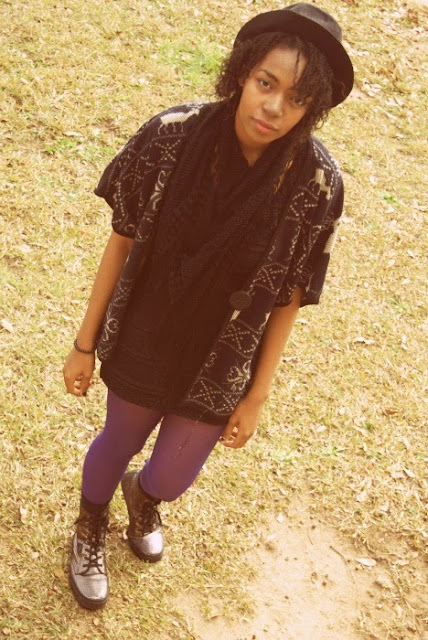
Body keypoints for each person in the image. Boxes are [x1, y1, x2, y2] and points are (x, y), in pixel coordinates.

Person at [63, 3, 354, 610]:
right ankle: (90, 523)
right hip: (148, 329)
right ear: (243, 73)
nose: (273, 107)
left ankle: (144, 496)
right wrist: (84, 343)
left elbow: (290, 295)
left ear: (312, 109)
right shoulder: (171, 135)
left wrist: (257, 395)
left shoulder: (317, 183)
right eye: (266, 83)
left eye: (296, 99)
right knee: (119, 439)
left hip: (224, 354)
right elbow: (121, 240)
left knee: (172, 476)